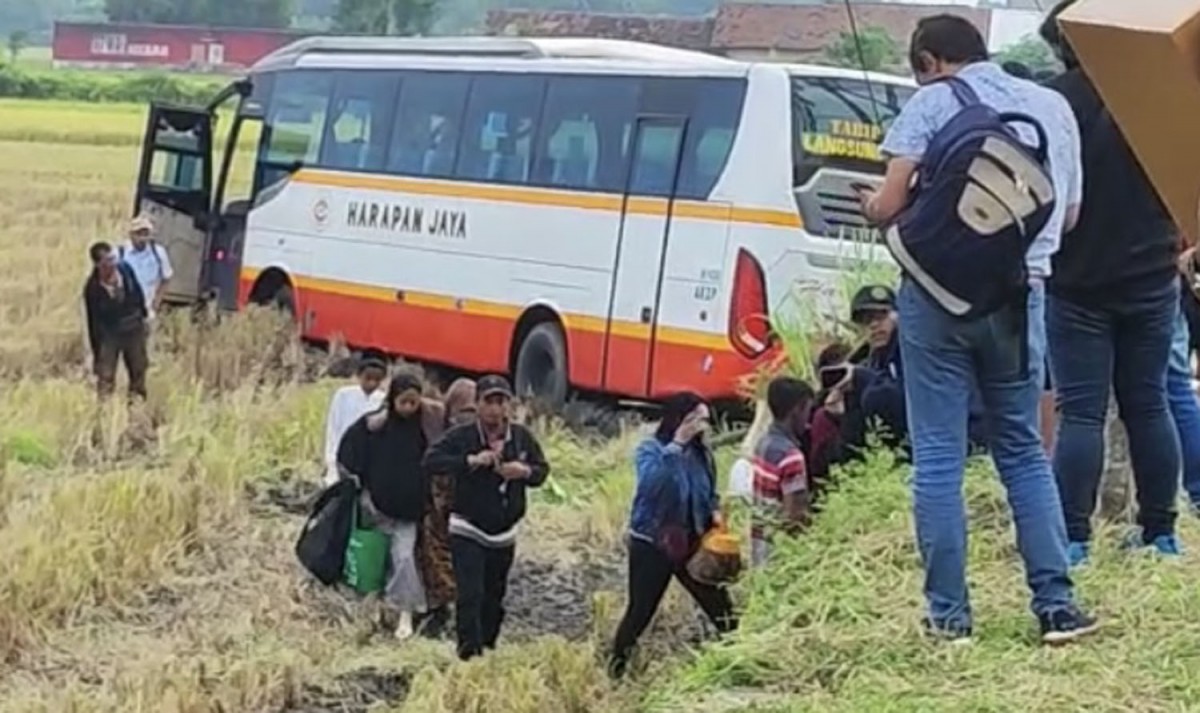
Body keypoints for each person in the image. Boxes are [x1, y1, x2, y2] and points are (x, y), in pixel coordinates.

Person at [861, 14, 1097, 644]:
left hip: (935, 299)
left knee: (938, 456)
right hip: (1022, 297)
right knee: (1021, 449)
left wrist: (873, 205)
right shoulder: (1051, 105)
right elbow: (1068, 217)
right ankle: (1056, 608)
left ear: (930, 61)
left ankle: (949, 617)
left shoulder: (933, 103)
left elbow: (887, 205)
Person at [1041, 1, 1183, 563]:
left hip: (1076, 281)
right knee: (1148, 403)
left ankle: (1074, 538)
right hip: (1151, 274)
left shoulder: (1054, 103)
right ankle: (1161, 532)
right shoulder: (1152, 95)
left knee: (1081, 412)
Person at [609, 393, 737, 678]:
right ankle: (616, 666)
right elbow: (651, 485)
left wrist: (714, 511)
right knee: (641, 610)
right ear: (679, 419)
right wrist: (676, 445)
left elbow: (709, 491)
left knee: (720, 605)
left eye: (704, 419)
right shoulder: (651, 450)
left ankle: (737, 655)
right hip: (653, 543)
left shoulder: (703, 454)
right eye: (696, 419)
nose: (702, 426)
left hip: (691, 540)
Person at [423, 375, 549, 660]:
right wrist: (469, 461)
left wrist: (524, 471)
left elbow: (542, 471)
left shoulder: (521, 437)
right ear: (477, 405)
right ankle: (468, 657)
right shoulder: (462, 436)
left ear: (510, 406)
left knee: (494, 599)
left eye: (501, 401)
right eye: (488, 402)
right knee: (470, 595)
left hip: (504, 531)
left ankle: (488, 650)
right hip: (467, 526)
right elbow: (431, 461)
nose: (495, 409)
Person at [337, 371, 445, 640]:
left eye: (414, 402)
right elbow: (347, 455)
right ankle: (374, 604)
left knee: (404, 557)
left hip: (410, 511)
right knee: (375, 559)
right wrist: (357, 487)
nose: (409, 408)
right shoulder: (374, 426)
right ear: (393, 399)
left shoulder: (426, 428)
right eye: (404, 402)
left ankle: (405, 611)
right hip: (376, 507)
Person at [416, 378, 478, 638]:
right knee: (436, 553)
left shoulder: (485, 433)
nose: (466, 418)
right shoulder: (434, 423)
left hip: (466, 508)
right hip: (440, 504)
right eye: (463, 411)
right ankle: (441, 609)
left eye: (472, 411)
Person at [750, 377, 815, 566]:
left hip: (759, 541)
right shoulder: (792, 457)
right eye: (807, 412)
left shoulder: (763, 443)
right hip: (781, 552)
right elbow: (795, 516)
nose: (808, 421)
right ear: (797, 410)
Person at [83, 241, 150, 402]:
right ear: (98, 264)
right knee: (105, 375)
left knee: (138, 368)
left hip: (133, 327)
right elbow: (93, 321)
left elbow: (138, 294)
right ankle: (105, 410)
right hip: (109, 333)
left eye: (113, 258)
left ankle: (137, 405)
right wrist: (97, 351)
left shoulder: (125, 269)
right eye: (108, 261)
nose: (113, 264)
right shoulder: (92, 289)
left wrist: (144, 318)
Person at [323, 355, 387, 486]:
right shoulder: (344, 395)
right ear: (359, 375)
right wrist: (331, 458)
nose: (372, 384)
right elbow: (334, 427)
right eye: (368, 378)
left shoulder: (383, 400)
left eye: (377, 380)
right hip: (343, 453)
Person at [120, 215, 174, 320]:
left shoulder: (158, 253)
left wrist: (156, 303)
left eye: (146, 234)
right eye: (139, 234)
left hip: (147, 311)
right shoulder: (121, 253)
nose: (142, 238)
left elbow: (167, 278)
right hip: (125, 312)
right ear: (131, 235)